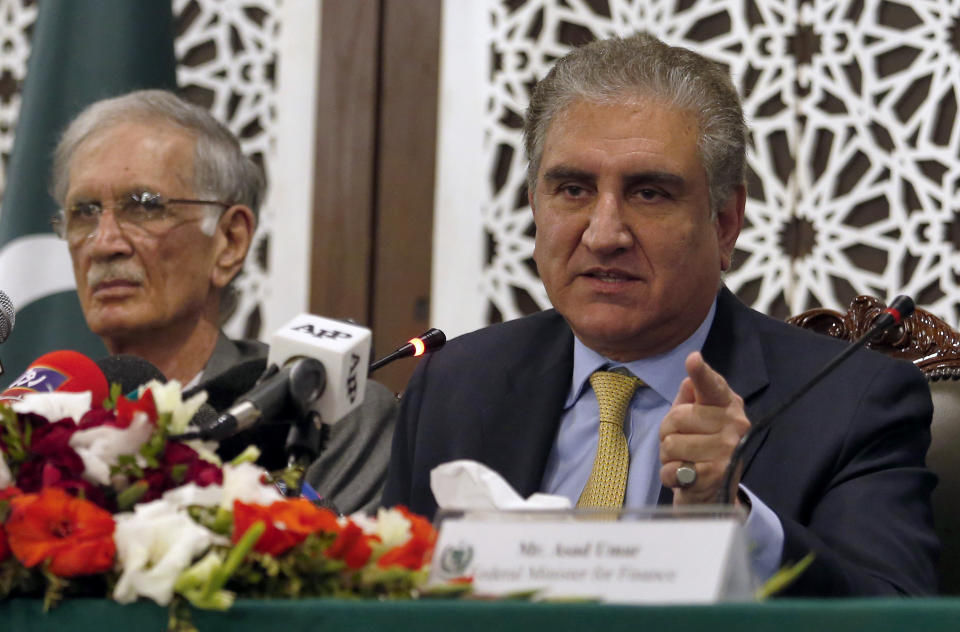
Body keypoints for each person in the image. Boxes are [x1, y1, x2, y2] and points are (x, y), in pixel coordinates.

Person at [382, 34, 938, 595]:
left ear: (724, 224)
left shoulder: (851, 402)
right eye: (573, 189)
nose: (604, 235)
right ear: (534, 207)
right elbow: (387, 603)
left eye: (648, 194)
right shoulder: (454, 383)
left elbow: (895, 613)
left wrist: (735, 518)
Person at [51, 89, 397, 513]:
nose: (103, 243)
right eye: (83, 212)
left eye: (143, 206)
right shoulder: (44, 422)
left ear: (229, 242)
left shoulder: (326, 417)